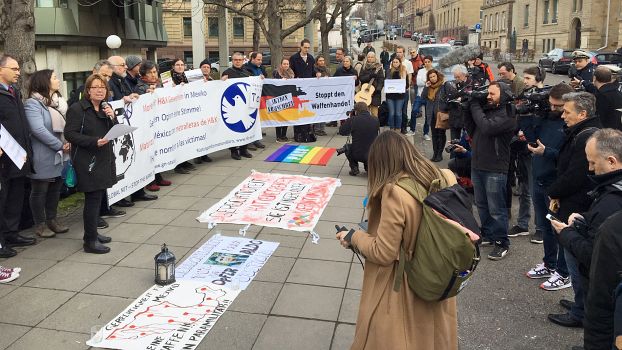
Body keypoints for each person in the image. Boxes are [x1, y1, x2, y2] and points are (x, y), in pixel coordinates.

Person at [335, 130, 458, 350]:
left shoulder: (395, 192)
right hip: (439, 271)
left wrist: (353, 237)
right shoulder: (443, 176)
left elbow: (384, 252)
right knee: (432, 334)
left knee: (399, 334)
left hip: (408, 280)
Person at [551, 129, 622, 349]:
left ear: (611, 161)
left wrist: (566, 233)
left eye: (592, 163)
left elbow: (596, 257)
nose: (590, 169)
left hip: (604, 298)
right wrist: (586, 219)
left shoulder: (612, 202)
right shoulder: (611, 193)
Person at [546, 91, 601, 328]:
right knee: (574, 263)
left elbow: (576, 176)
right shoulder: (582, 132)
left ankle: (581, 312)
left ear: (583, 114)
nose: (562, 116)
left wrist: (553, 191)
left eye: (567, 112)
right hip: (574, 204)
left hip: (577, 208)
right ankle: (579, 303)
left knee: (576, 263)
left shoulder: (588, 137)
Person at [525, 83, 574, 290]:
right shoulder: (545, 116)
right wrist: (528, 114)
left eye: (559, 106)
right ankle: (549, 263)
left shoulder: (570, 126)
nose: (554, 110)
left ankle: (563, 274)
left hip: (556, 184)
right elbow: (529, 137)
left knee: (559, 230)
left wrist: (547, 153)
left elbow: (568, 158)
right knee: (544, 227)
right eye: (551, 105)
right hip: (538, 179)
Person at [64, 74, 118, 254]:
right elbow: (70, 134)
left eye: (103, 87)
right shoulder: (78, 109)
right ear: (88, 90)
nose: (100, 90)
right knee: (93, 199)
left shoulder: (105, 108)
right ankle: (90, 241)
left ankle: (93, 232)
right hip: (88, 160)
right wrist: (94, 141)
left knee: (99, 196)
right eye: (95, 87)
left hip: (104, 157)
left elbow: (113, 130)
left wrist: (112, 117)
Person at [463, 81, 516, 260]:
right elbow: (472, 129)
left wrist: (475, 105)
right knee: (482, 205)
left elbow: (487, 128)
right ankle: (487, 234)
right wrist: (468, 106)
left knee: (496, 208)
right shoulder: (488, 110)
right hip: (478, 164)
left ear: (505, 95)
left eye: (492, 94)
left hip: (495, 167)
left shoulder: (508, 114)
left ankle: (502, 242)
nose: (488, 96)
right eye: (488, 93)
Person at [23, 69, 71, 239]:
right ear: (45, 82)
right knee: (40, 190)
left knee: (55, 188)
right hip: (43, 154)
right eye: (54, 78)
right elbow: (37, 129)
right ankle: (40, 224)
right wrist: (59, 145)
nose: (58, 80)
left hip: (57, 155)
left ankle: (52, 220)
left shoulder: (53, 103)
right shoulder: (32, 104)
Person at [0, 54, 36, 258]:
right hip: (4, 159)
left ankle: (12, 233)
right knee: (3, 199)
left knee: (15, 196)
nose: (18, 72)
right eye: (13, 69)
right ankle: (1, 241)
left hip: (19, 155)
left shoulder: (14, 92)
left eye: (18, 69)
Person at [108, 55, 157, 202]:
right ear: (113, 68)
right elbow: (116, 100)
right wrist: (124, 99)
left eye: (124, 64)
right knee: (122, 160)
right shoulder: (112, 82)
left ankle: (138, 191)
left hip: (130, 121)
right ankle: (120, 196)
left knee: (134, 157)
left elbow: (129, 94)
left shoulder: (122, 80)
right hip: (119, 123)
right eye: (121, 65)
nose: (125, 67)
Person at [507, 66, 544, 240]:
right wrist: (518, 132)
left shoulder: (545, 98)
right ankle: (522, 224)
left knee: (538, 191)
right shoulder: (524, 96)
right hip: (522, 149)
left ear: (538, 78)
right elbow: (518, 120)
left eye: (528, 78)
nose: (525, 81)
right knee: (524, 189)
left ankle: (541, 228)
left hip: (538, 152)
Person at [134, 60, 173, 192]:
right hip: (147, 125)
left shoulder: (160, 84)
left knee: (157, 150)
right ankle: (150, 181)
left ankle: (158, 176)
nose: (153, 75)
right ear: (143, 74)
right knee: (149, 152)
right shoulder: (140, 87)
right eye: (150, 72)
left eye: (155, 72)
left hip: (159, 122)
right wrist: (147, 92)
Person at [221, 52, 254, 160]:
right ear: (232, 61)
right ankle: (234, 150)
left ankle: (244, 149)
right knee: (234, 127)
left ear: (243, 60)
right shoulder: (227, 72)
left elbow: (253, 85)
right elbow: (221, 89)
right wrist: (222, 82)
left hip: (246, 104)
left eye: (240, 60)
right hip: (233, 105)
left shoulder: (247, 72)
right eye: (236, 60)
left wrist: (260, 79)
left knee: (244, 127)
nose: (238, 62)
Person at [338, 102, 379, 175]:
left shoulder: (353, 120)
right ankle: (368, 167)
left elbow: (342, 131)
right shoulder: (375, 119)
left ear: (356, 111)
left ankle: (354, 168)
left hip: (357, 153)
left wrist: (349, 119)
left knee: (347, 147)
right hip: (373, 154)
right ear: (367, 109)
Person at [290, 39, 317, 142]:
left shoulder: (310, 58)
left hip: (308, 89)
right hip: (298, 88)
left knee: (307, 109)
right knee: (298, 110)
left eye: (308, 48)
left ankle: (308, 132)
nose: (307, 49)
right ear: (300, 47)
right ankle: (298, 133)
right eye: (305, 47)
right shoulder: (294, 58)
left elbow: (312, 71)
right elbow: (291, 71)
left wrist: (317, 74)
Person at [240, 52, 266, 150]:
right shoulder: (245, 68)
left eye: (261, 59)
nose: (260, 61)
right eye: (258, 59)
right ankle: (249, 141)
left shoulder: (261, 68)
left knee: (256, 119)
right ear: (252, 59)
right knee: (248, 119)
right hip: (248, 97)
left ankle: (255, 139)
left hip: (257, 97)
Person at [584, 66, 622, 130]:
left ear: (594, 78)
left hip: (606, 133)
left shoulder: (601, 96)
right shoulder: (618, 93)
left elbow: (599, 119)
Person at [444, 65, 472, 140]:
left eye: (458, 77)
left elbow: (473, 97)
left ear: (464, 74)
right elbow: (447, 97)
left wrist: (462, 98)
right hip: (454, 117)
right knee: (454, 142)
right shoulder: (451, 84)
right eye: (455, 77)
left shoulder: (472, 83)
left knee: (466, 143)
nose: (456, 79)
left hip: (466, 117)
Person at [425, 69, 447, 162]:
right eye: (430, 77)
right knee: (434, 134)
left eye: (434, 76)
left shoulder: (443, 86)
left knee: (441, 134)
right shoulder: (429, 87)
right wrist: (426, 87)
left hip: (440, 113)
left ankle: (439, 154)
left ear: (437, 76)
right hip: (431, 114)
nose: (433, 78)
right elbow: (423, 97)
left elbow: (448, 98)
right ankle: (435, 153)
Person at [273, 58, 295, 143]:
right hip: (279, 97)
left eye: (287, 64)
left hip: (288, 97)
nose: (286, 65)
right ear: (281, 64)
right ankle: (278, 136)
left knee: (286, 117)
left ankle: (284, 135)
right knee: (279, 117)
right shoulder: (277, 72)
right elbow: (274, 83)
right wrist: (280, 81)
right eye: (284, 64)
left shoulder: (291, 72)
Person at [358, 52, 384, 118]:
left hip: (375, 93)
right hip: (365, 93)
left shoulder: (378, 67)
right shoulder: (364, 67)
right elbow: (361, 78)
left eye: (372, 57)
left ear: (375, 58)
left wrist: (378, 89)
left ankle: (375, 127)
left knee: (374, 114)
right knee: (364, 113)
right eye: (369, 57)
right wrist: (370, 76)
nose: (370, 58)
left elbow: (381, 79)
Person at [395, 46, 413, 134]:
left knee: (404, 109)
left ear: (404, 53)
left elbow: (409, 75)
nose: (398, 54)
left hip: (404, 90)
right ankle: (397, 126)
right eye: (397, 52)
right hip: (395, 90)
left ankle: (404, 127)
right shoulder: (393, 62)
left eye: (400, 52)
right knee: (396, 110)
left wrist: (407, 86)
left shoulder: (408, 63)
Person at [385, 58, 407, 131]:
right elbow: (386, 81)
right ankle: (392, 128)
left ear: (400, 63)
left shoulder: (403, 71)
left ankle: (398, 129)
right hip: (390, 95)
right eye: (393, 62)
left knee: (398, 113)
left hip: (400, 96)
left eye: (396, 62)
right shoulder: (389, 71)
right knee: (391, 113)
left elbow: (406, 84)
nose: (395, 63)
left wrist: (402, 87)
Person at [415, 56, 434, 140]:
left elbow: (435, 82)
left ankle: (425, 133)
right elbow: (418, 83)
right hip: (420, 95)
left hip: (430, 97)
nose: (427, 63)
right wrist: (426, 82)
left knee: (427, 115)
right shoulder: (420, 71)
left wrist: (425, 82)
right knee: (414, 111)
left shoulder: (434, 71)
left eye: (428, 62)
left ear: (431, 62)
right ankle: (412, 129)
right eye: (425, 62)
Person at [313, 55, 330, 136]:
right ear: (317, 62)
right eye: (320, 60)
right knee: (317, 111)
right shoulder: (314, 69)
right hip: (316, 94)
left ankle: (322, 129)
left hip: (325, 94)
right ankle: (317, 129)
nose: (322, 62)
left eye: (323, 60)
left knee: (323, 111)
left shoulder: (327, 70)